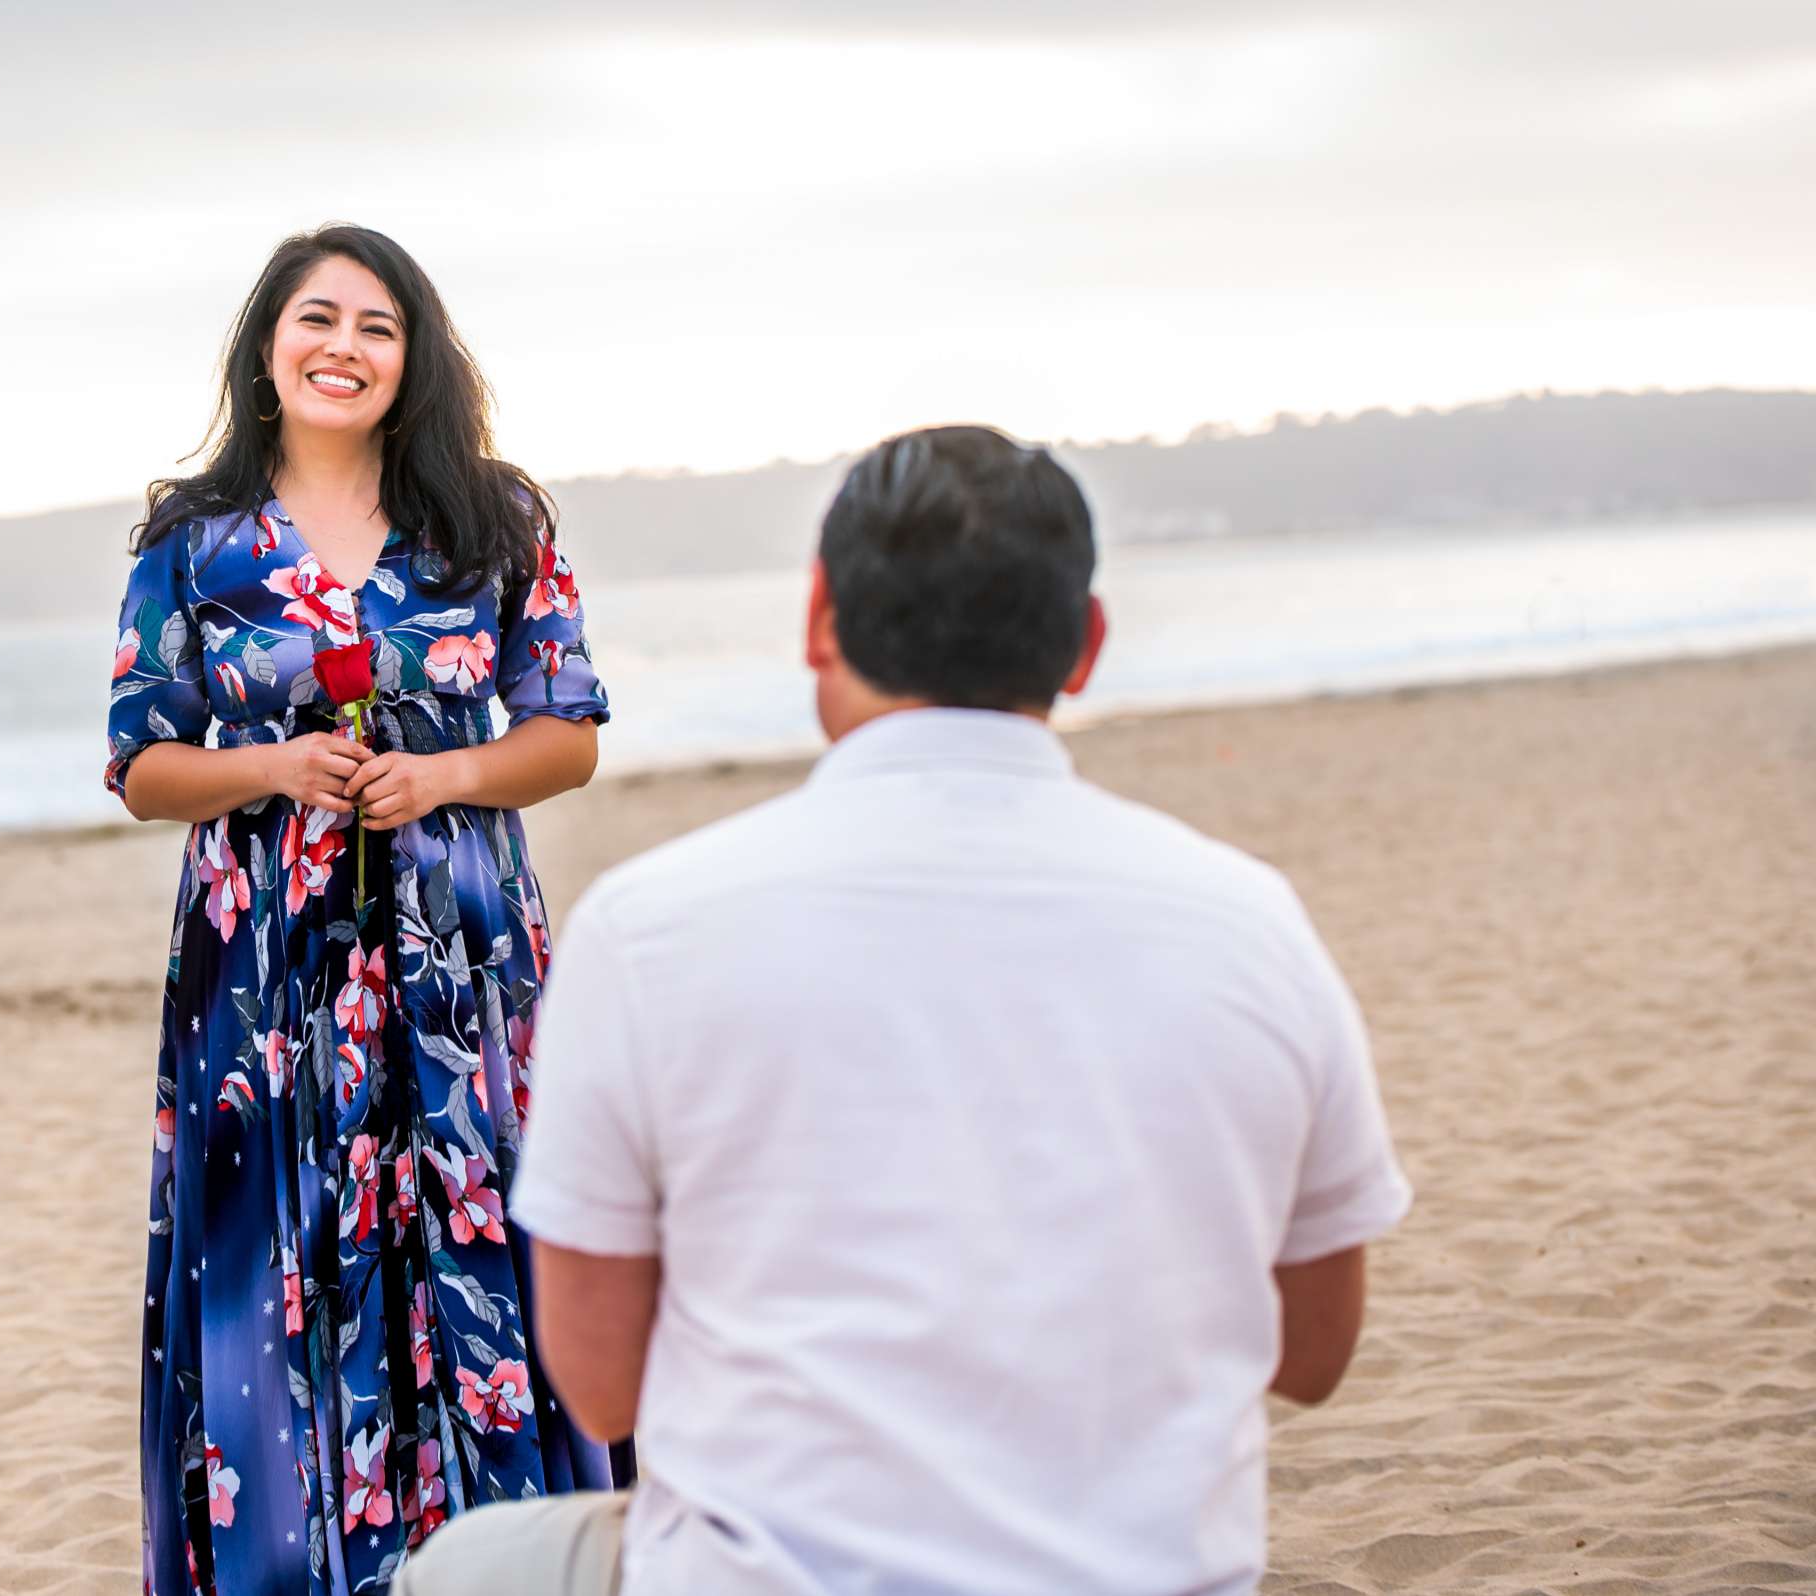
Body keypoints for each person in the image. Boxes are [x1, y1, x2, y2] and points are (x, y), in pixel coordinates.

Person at [395, 425, 1414, 1596]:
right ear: (1085, 646)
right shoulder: (1250, 924)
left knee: (463, 1570)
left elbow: (602, 1382)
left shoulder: (650, 929)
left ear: (819, 618)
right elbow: (1317, 1352)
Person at [106, 223, 617, 1596]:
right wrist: (271, 767)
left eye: (377, 325)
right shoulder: (193, 543)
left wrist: (443, 771)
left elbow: (566, 735)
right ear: (268, 348)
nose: (344, 346)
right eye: (316, 319)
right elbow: (141, 766)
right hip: (264, 976)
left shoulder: (494, 521)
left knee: (483, 1246)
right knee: (276, 1273)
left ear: (415, 356)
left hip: (463, 965)